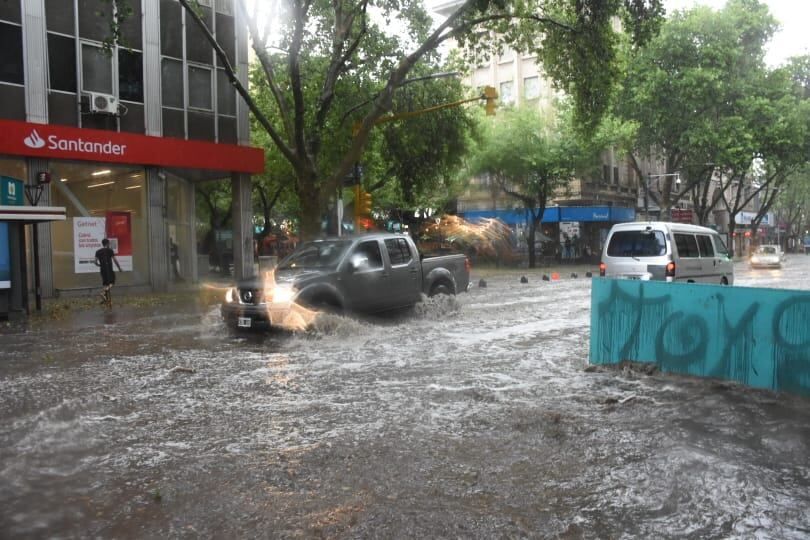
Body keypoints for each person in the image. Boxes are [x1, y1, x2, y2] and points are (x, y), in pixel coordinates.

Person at [95, 238, 122, 307]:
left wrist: (100, 265)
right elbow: (115, 260)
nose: (109, 244)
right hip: (109, 269)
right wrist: (119, 268)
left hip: (102, 269)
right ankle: (103, 292)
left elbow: (95, 262)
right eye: (109, 243)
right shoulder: (110, 251)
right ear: (107, 244)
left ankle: (106, 300)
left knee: (105, 283)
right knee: (112, 282)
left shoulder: (98, 251)